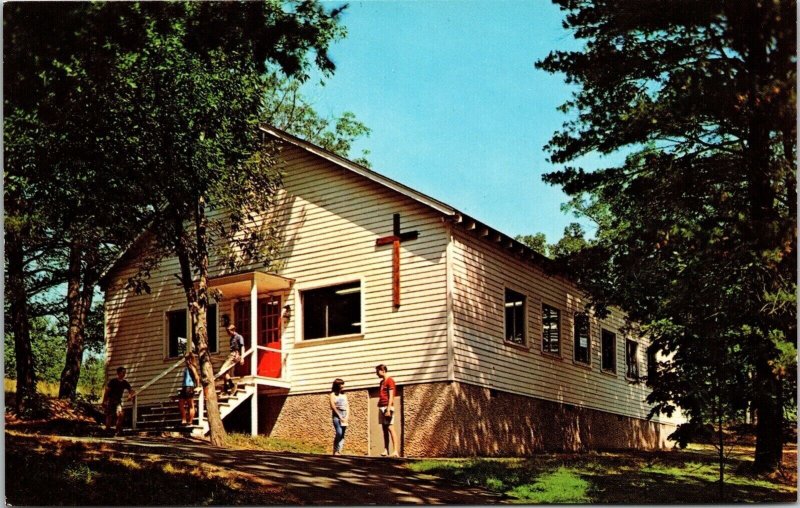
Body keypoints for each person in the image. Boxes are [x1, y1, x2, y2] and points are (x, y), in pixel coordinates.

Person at [103, 366, 136, 436]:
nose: (124, 374)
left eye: (125, 373)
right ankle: (107, 430)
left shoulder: (125, 382)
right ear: (118, 373)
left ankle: (117, 431)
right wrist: (104, 401)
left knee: (121, 415)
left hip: (118, 401)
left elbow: (131, 390)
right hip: (111, 400)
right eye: (123, 372)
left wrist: (130, 395)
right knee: (109, 415)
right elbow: (107, 391)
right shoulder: (113, 381)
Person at [375, 364, 398, 457]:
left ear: (383, 371)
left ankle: (395, 450)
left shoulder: (390, 381)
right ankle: (386, 450)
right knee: (384, 429)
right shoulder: (382, 382)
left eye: (378, 371)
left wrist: (388, 409)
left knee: (390, 428)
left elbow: (391, 396)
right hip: (381, 406)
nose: (377, 374)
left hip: (387, 407)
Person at [220, 324, 245, 394]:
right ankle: (225, 387)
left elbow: (242, 347)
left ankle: (231, 385)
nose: (228, 333)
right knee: (225, 372)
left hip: (235, 356)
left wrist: (242, 357)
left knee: (222, 370)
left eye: (229, 331)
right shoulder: (231, 338)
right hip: (231, 355)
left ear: (233, 330)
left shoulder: (239, 337)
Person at [179, 352, 200, 425]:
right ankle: (184, 419)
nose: (186, 360)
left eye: (187, 359)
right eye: (185, 359)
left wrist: (197, 386)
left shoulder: (191, 366)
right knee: (181, 403)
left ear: (190, 359)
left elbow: (197, 377)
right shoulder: (186, 367)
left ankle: (190, 421)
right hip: (184, 387)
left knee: (190, 404)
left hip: (189, 387)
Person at [329, 378, 349, 455]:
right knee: (339, 432)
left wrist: (347, 416)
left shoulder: (344, 395)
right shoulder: (332, 394)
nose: (343, 386)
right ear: (337, 385)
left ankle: (339, 450)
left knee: (343, 433)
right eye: (341, 384)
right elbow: (333, 406)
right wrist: (340, 416)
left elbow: (347, 406)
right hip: (337, 414)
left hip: (344, 413)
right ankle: (335, 449)